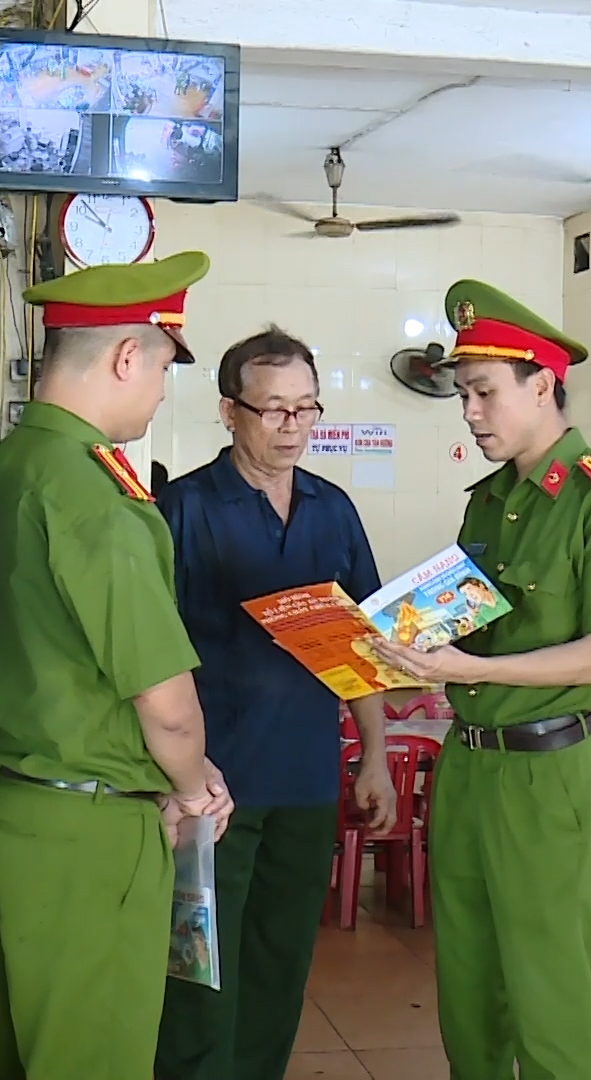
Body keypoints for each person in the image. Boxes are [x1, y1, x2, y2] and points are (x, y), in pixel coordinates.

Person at [0, 250, 236, 1080]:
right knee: (90, 1059)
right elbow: (168, 705)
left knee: (12, 1053)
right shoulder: (97, 497)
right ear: (126, 357)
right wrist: (193, 789)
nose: (156, 391)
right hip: (89, 828)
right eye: (161, 368)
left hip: (3, 806)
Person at [369, 279, 591, 1080]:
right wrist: (385, 650)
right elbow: (457, 621)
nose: (471, 411)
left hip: (545, 768)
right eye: (463, 395)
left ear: (542, 384)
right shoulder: (489, 501)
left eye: (485, 392)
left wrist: (474, 668)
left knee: (546, 987)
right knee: (466, 981)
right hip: (470, 764)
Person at [154, 326, 399, 1080]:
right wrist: (173, 776)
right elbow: (149, 656)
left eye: (306, 409)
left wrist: (375, 760)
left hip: (305, 775)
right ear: (230, 412)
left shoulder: (333, 510)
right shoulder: (184, 508)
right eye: (273, 410)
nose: (292, 427)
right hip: (213, 783)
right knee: (200, 967)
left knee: (281, 958)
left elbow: (364, 650)